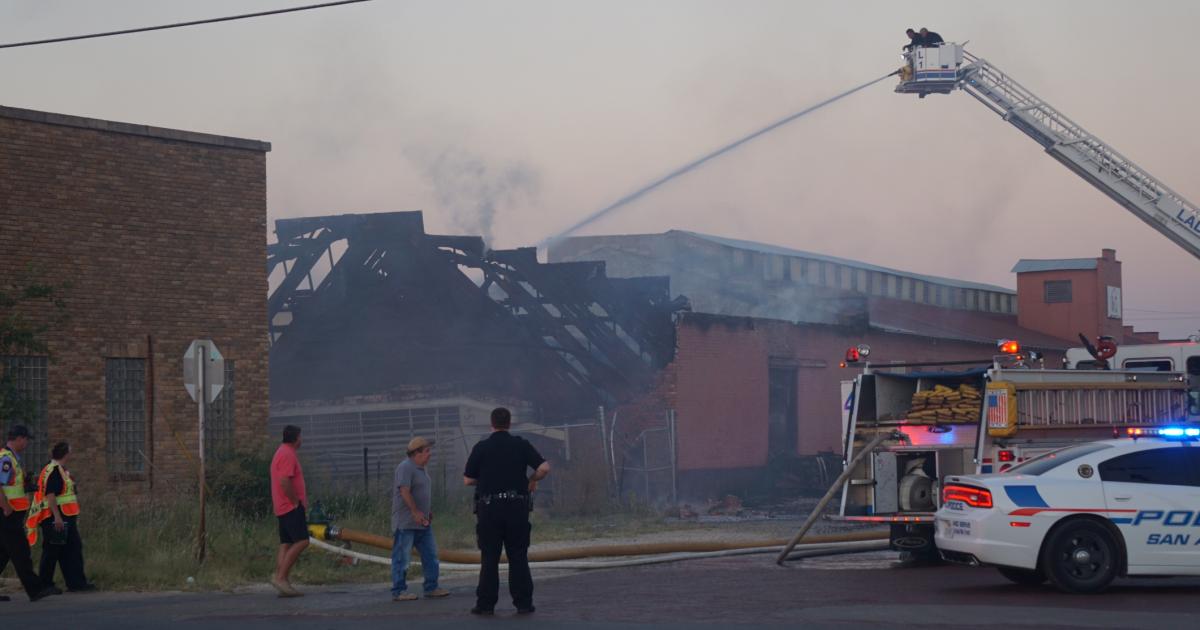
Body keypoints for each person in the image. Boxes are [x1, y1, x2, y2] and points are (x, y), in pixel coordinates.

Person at [463, 408, 550, 616]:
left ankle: (485, 604)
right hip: (516, 508)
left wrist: (485, 479)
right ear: (510, 424)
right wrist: (531, 480)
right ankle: (523, 603)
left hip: (489, 509)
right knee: (518, 556)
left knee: (489, 557)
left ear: (491, 424)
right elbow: (544, 468)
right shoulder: (521, 445)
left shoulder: (482, 447)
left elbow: (467, 479)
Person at [28, 441, 94, 593]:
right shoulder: (54, 470)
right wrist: (57, 517)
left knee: (72, 548)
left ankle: (77, 583)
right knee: (52, 551)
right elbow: (50, 494)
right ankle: (45, 584)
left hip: (66, 516)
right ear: (66, 454)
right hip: (56, 517)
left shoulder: (60, 469)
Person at [391, 436, 450, 602]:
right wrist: (415, 512)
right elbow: (404, 491)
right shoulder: (405, 467)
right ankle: (399, 591)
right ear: (416, 453)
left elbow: (420, 493)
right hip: (406, 523)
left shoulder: (421, 469)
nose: (429, 454)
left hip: (422, 523)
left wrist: (426, 512)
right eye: (426, 451)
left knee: (431, 555)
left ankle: (431, 587)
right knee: (402, 558)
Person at [0, 425, 55, 602]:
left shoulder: (13, 459)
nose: (26, 443)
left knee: (3, 553)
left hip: (11, 514)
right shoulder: (6, 459)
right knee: (21, 552)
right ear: (18, 438)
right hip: (7, 514)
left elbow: (10, 485)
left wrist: (27, 487)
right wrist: (6, 506)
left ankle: (35, 588)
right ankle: (35, 589)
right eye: (26, 440)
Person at [270, 425, 308, 598]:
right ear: (295, 438)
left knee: (286, 543)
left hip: (282, 506)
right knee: (302, 541)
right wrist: (295, 502)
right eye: (300, 437)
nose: (302, 440)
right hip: (290, 506)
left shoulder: (282, 451)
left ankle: (281, 580)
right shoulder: (287, 454)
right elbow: (284, 481)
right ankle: (281, 577)